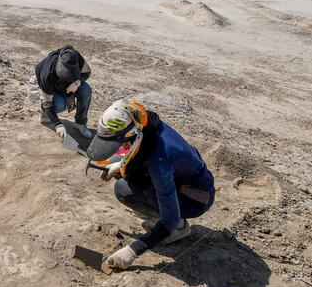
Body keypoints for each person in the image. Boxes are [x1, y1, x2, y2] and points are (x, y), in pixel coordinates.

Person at [86, 98, 215, 269]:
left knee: (123, 189)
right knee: (119, 161)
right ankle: (159, 212)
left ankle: (179, 228)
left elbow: (170, 218)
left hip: (195, 198)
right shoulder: (145, 124)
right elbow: (137, 151)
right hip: (181, 179)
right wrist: (121, 165)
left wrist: (132, 251)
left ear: (130, 133)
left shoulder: (159, 160)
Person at [32, 45, 93, 139]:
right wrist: (58, 125)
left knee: (86, 90)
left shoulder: (76, 58)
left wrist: (78, 82)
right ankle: (44, 112)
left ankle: (80, 123)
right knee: (59, 105)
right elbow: (47, 103)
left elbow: (87, 72)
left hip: (71, 85)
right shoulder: (46, 74)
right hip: (53, 87)